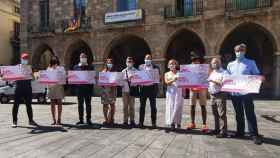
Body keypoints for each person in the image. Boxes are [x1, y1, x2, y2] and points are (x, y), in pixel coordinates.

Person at [227, 44, 263, 145]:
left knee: (250, 113)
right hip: (235, 93)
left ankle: (254, 134)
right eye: (237, 51)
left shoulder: (251, 62)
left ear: (245, 51)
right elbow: (228, 77)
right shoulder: (230, 64)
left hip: (246, 93)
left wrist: (260, 77)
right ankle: (240, 132)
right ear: (235, 52)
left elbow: (256, 74)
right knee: (238, 114)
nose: (239, 52)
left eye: (241, 50)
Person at [12, 53, 37, 128]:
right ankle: (14, 121)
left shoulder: (30, 67)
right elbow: (11, 76)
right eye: (23, 58)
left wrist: (32, 75)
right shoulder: (17, 67)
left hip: (27, 87)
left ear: (28, 60)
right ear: (21, 59)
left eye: (26, 58)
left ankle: (31, 120)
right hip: (19, 87)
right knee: (16, 104)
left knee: (29, 105)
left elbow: (33, 78)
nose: (25, 60)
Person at [186, 51, 208, 132]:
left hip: (202, 88)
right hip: (192, 88)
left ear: (199, 61)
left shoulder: (202, 67)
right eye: (194, 60)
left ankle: (204, 124)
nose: (195, 61)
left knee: (203, 105)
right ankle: (192, 123)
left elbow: (206, 77)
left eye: (197, 60)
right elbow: (187, 78)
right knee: (192, 106)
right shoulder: (189, 67)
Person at [208, 58, 228, 138]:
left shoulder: (224, 72)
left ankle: (223, 131)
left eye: (216, 63)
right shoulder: (213, 72)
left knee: (221, 113)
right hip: (212, 94)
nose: (214, 64)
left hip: (220, 94)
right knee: (215, 113)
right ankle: (216, 129)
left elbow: (223, 83)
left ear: (220, 63)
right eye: (213, 63)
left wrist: (213, 81)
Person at [138, 54, 160, 128]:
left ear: (151, 59)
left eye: (149, 58)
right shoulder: (141, 67)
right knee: (142, 106)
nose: (148, 59)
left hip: (151, 88)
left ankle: (153, 123)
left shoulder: (155, 67)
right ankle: (141, 122)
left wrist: (156, 89)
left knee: (153, 107)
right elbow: (138, 76)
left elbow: (157, 79)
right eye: (146, 58)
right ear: (144, 59)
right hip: (143, 89)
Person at [73, 53, 94, 125]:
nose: (83, 58)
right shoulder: (75, 67)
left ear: (86, 58)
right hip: (79, 89)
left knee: (88, 105)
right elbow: (73, 77)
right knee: (80, 105)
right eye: (82, 57)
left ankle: (88, 119)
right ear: (79, 58)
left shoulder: (90, 67)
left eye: (84, 57)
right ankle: (81, 119)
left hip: (88, 89)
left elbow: (92, 77)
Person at [165, 59, 184, 130]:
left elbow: (183, 82)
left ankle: (178, 123)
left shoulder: (180, 73)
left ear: (176, 65)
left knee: (178, 107)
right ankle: (172, 123)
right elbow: (167, 82)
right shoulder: (166, 74)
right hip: (170, 92)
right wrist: (174, 79)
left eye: (173, 63)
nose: (172, 65)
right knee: (171, 107)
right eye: (170, 64)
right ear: (168, 65)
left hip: (179, 91)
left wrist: (184, 92)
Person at [47, 56, 65, 125]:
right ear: (51, 63)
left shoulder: (61, 68)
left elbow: (63, 76)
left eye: (56, 62)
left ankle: (59, 119)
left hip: (59, 87)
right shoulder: (48, 69)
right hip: (51, 87)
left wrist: (57, 70)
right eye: (53, 63)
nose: (55, 64)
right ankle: (54, 119)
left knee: (59, 102)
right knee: (52, 103)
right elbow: (46, 78)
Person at [121, 57, 138, 127]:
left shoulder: (136, 70)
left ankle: (132, 120)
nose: (129, 62)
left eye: (130, 61)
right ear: (126, 62)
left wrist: (133, 80)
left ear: (133, 63)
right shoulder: (123, 71)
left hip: (132, 90)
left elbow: (138, 80)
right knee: (125, 106)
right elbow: (120, 80)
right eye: (128, 61)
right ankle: (125, 120)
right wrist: (126, 79)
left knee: (132, 106)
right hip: (124, 90)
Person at [101, 58, 117, 126]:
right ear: (106, 64)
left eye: (110, 63)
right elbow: (101, 82)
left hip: (113, 91)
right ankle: (106, 120)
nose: (109, 64)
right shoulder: (103, 72)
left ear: (112, 64)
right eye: (108, 63)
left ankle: (111, 119)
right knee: (105, 105)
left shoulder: (115, 72)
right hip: (105, 91)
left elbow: (117, 81)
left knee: (112, 105)